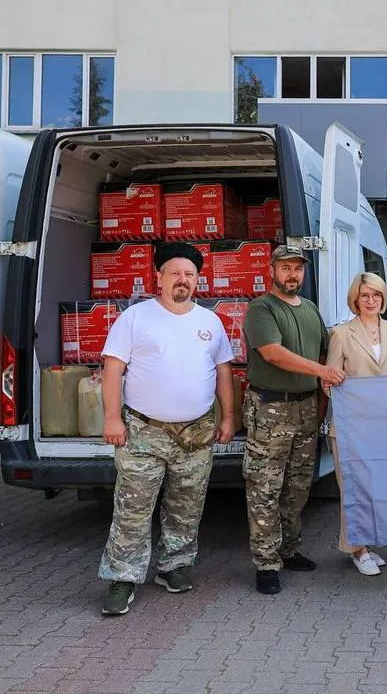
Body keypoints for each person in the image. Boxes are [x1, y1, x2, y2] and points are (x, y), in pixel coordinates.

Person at [98, 242, 236, 616]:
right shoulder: (135, 318)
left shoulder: (210, 322)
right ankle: (123, 578)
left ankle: (174, 566)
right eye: (175, 273)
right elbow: (113, 370)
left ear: (197, 280)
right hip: (144, 431)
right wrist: (112, 419)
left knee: (187, 505)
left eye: (189, 274)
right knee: (133, 507)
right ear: (157, 277)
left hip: (196, 433)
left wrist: (227, 418)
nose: (182, 280)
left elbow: (224, 371)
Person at [243, 245, 345, 595]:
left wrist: (321, 401)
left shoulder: (311, 310)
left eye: (298, 269)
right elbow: (273, 354)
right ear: (272, 270)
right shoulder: (261, 308)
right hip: (271, 409)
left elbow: (323, 351)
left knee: (298, 487)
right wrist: (323, 371)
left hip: (305, 409)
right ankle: (266, 563)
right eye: (285, 267)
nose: (292, 275)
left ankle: (288, 550)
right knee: (265, 488)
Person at [324, 272, 387, 575]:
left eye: (376, 295)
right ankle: (357, 549)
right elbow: (327, 382)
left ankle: (367, 543)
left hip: (384, 427)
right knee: (353, 489)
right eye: (364, 296)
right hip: (350, 427)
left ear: (383, 299)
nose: (370, 301)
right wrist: (336, 380)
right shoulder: (342, 334)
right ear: (355, 300)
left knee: (376, 488)